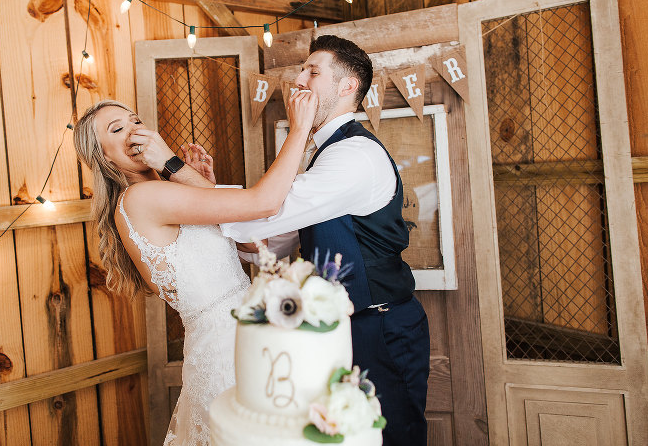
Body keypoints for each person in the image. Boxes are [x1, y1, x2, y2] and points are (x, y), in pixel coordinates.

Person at [221, 35, 431, 445]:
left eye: (312, 71)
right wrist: (245, 243)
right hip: (338, 330)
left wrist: (190, 198)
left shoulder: (353, 155)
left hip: (381, 328)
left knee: (393, 438)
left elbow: (266, 214)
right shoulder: (324, 152)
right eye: (302, 69)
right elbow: (279, 239)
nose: (298, 79)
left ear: (348, 87)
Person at [72, 95, 316, 446]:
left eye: (135, 120)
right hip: (225, 351)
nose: (134, 130)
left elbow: (251, 243)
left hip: (248, 335)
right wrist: (300, 128)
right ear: (104, 157)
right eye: (117, 128)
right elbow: (263, 203)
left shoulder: (161, 193)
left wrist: (199, 184)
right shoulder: (141, 199)